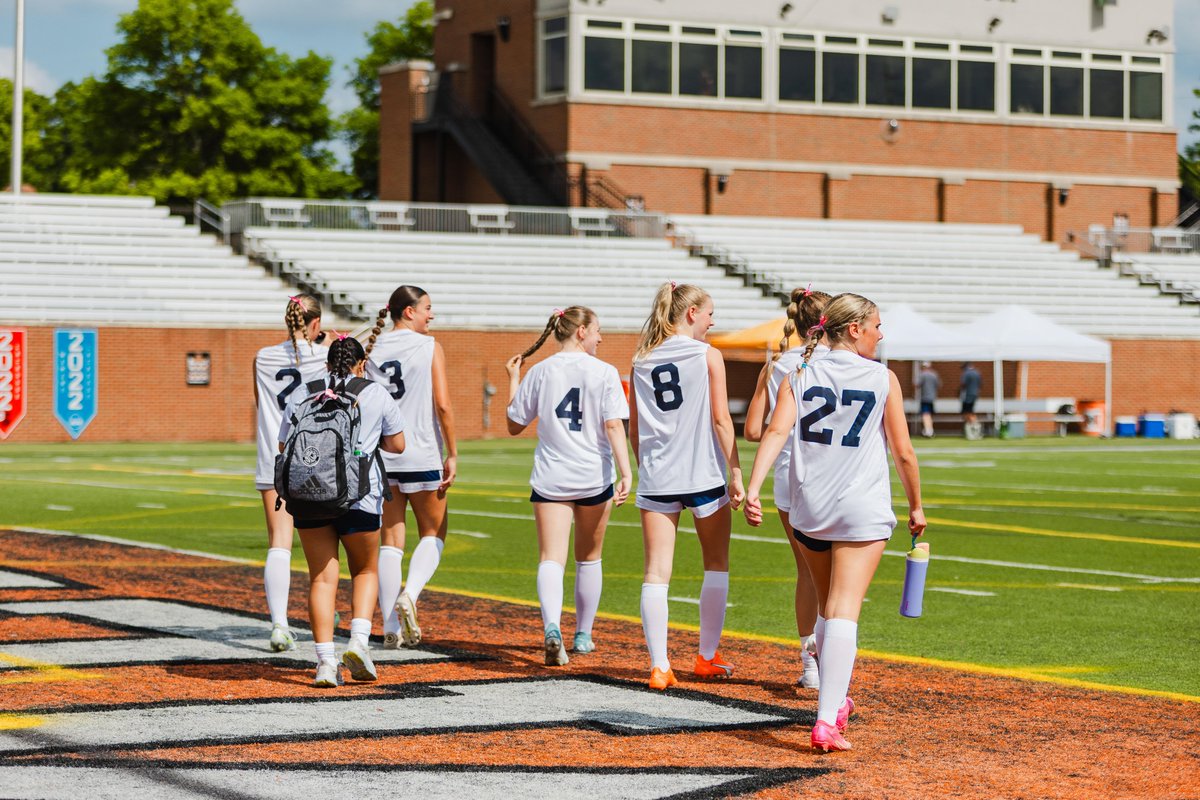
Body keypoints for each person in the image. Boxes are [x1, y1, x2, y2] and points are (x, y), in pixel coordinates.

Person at [743, 293, 925, 752]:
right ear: (854, 329)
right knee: (843, 610)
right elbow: (903, 452)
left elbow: (775, 432)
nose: (882, 334)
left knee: (828, 608)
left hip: (809, 508)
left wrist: (753, 487)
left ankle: (835, 699)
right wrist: (917, 505)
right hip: (860, 508)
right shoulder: (883, 378)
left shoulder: (800, 372)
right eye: (877, 325)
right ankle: (827, 718)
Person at [629, 282, 744, 691]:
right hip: (703, 474)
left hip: (658, 477)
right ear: (691, 312)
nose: (713, 321)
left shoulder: (641, 359)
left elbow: (636, 429)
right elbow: (721, 421)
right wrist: (735, 471)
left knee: (656, 573)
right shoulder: (707, 355)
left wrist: (648, 466)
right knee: (716, 562)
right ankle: (706, 656)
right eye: (710, 313)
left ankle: (660, 666)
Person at [504, 307, 632, 666]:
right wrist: (626, 472)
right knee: (589, 557)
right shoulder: (605, 372)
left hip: (551, 477)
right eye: (597, 331)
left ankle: (551, 627)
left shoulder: (541, 370)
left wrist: (515, 377)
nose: (601, 338)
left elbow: (515, 423)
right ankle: (584, 634)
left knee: (550, 558)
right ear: (580, 332)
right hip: (593, 476)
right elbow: (613, 426)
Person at [278, 335, 405, 687]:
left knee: (321, 577)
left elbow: (283, 444)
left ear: (327, 362)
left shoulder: (305, 391)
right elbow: (398, 445)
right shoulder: (375, 393)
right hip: (359, 494)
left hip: (308, 496)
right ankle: (360, 644)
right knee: (364, 570)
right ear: (361, 363)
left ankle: (325, 663)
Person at [743, 285, 830, 690]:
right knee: (836, 576)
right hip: (833, 475)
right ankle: (831, 657)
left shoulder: (778, 365)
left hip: (788, 477)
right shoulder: (847, 362)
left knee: (806, 574)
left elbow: (753, 431)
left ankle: (810, 662)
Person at [364, 286, 458, 648]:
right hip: (422, 452)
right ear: (408, 312)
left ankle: (390, 626)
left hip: (383, 453)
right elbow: (443, 404)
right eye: (427, 309)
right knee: (433, 532)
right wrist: (452, 452)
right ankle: (411, 594)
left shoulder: (374, 346)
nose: (431, 316)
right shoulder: (428, 346)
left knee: (390, 542)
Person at [252, 295, 327, 652]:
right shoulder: (325, 356)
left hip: (274, 458)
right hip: (316, 461)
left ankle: (279, 625)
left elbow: (260, 400)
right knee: (320, 542)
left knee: (279, 544)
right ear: (315, 324)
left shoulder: (263, 357)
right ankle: (324, 608)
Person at [917, 361, 941, 438]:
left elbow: (916, 384)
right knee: (929, 415)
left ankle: (928, 431)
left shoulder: (922, 374)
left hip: (925, 397)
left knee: (925, 414)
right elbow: (939, 385)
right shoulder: (934, 374)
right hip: (932, 397)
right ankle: (930, 430)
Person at [960, 362, 983, 440]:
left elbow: (963, 384)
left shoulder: (966, 373)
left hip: (967, 396)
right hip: (975, 395)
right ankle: (974, 430)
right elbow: (981, 384)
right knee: (971, 412)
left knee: (967, 413)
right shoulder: (977, 373)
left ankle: (972, 431)